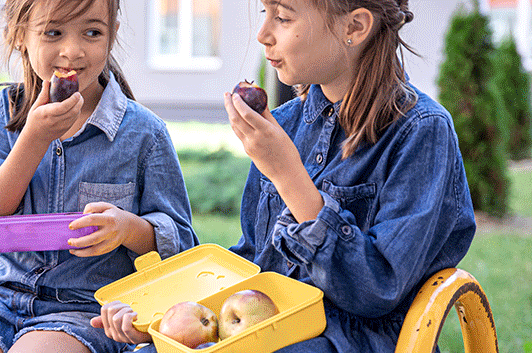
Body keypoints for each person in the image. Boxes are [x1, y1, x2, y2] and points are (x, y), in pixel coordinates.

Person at [93, 0, 475, 352]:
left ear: (355, 27)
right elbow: (253, 263)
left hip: (355, 339)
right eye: (265, 12)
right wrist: (172, 324)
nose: (263, 34)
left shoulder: (421, 132)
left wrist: (288, 176)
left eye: (284, 17)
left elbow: (377, 290)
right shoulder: (287, 124)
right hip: (269, 328)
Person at [0, 0, 197, 352]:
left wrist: (128, 229)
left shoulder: (143, 134)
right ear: (20, 36)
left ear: (112, 37)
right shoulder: (6, 113)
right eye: (53, 32)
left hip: (87, 309)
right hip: (2, 298)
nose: (72, 51)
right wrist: (33, 137)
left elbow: (181, 242)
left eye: (92, 32)